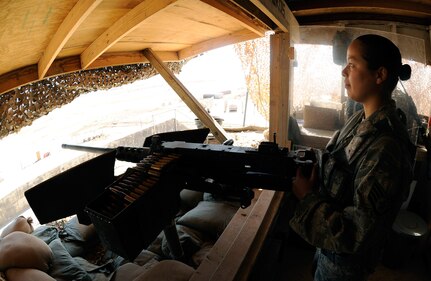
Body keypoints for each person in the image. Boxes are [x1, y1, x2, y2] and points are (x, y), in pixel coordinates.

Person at [289, 34, 416, 281]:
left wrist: (306, 197)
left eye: (352, 64)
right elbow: (340, 163)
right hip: (328, 248)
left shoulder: (386, 147)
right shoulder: (361, 119)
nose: (343, 72)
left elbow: (357, 233)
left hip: (344, 264)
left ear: (379, 75)